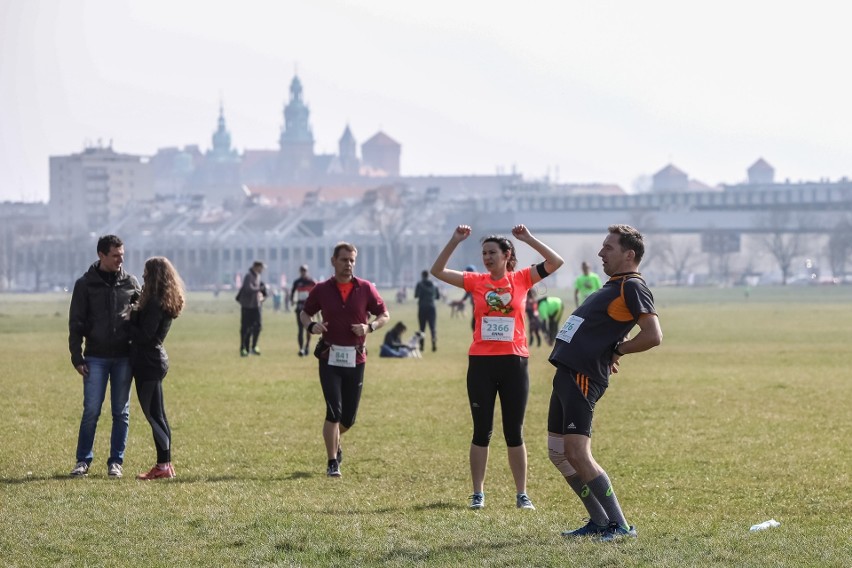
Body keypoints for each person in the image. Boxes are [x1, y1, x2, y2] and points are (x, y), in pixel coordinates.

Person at [431, 224, 563, 510]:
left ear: (507, 255)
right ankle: (478, 493)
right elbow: (438, 271)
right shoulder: (475, 281)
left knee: (514, 431)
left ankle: (521, 494)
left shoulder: (522, 279)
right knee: (482, 430)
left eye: (492, 253)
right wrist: (454, 240)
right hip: (481, 363)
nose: (487, 257)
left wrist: (528, 239)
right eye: (484, 253)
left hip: (514, 362)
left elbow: (556, 262)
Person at [547, 224, 662, 541]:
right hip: (567, 372)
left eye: (608, 248)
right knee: (558, 452)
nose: (600, 253)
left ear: (629, 254)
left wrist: (617, 349)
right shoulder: (614, 285)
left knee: (578, 452)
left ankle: (621, 525)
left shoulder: (633, 287)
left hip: (583, 374)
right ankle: (599, 521)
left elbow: (653, 336)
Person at [300, 242, 390, 477]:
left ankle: (336, 440)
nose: (348, 264)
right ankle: (332, 461)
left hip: (356, 359)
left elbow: (385, 315)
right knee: (333, 411)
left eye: (351, 260)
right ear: (333, 261)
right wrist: (312, 326)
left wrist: (369, 327)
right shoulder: (321, 289)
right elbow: (304, 312)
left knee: (349, 418)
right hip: (329, 357)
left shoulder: (366, 288)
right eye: (344, 259)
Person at [67, 235, 141, 478]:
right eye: (115, 255)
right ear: (101, 255)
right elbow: (75, 322)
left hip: (124, 358)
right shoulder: (85, 284)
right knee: (91, 411)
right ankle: (83, 460)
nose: (121, 259)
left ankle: (115, 462)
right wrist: (76, 357)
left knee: (121, 411)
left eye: (122, 254)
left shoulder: (131, 283)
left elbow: (141, 318)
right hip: (95, 357)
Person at [127, 257, 185, 480]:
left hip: (148, 362)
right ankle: (166, 465)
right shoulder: (162, 299)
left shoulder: (154, 303)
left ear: (155, 275)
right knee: (158, 415)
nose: (143, 276)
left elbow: (144, 335)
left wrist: (130, 319)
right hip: (154, 360)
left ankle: (162, 465)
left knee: (154, 416)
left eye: (146, 273)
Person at [237, 261, 267, 356]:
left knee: (258, 326)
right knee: (246, 328)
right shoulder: (249, 276)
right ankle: (243, 348)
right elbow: (248, 289)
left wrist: (262, 295)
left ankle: (253, 346)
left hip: (256, 305)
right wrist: (259, 288)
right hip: (247, 306)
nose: (262, 270)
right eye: (261, 268)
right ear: (256, 267)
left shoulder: (258, 276)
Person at [291, 265, 317, 356]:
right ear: (300, 271)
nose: (303, 272)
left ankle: (307, 346)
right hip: (299, 307)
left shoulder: (312, 282)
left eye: (305, 270)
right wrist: (292, 301)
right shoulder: (297, 282)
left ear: (307, 271)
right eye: (302, 270)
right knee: (300, 329)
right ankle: (301, 349)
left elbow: (317, 294)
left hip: (309, 308)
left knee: (308, 328)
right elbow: (292, 292)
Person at [414, 269, 441, 352]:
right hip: (432, 307)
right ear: (428, 276)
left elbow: (416, 295)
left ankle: (422, 347)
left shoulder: (419, 284)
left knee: (422, 328)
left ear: (422, 276)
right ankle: (434, 345)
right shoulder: (434, 285)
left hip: (422, 307)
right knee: (432, 327)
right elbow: (438, 297)